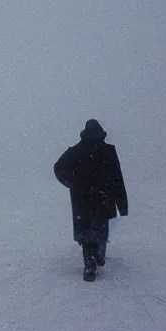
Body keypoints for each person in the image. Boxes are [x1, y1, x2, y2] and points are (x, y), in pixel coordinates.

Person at [53, 118, 128, 281]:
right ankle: (98, 254)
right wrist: (122, 204)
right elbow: (117, 178)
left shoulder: (75, 151)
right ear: (101, 134)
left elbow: (58, 168)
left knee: (86, 231)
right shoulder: (108, 151)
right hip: (103, 198)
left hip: (81, 201)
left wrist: (71, 182)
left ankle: (90, 260)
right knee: (100, 229)